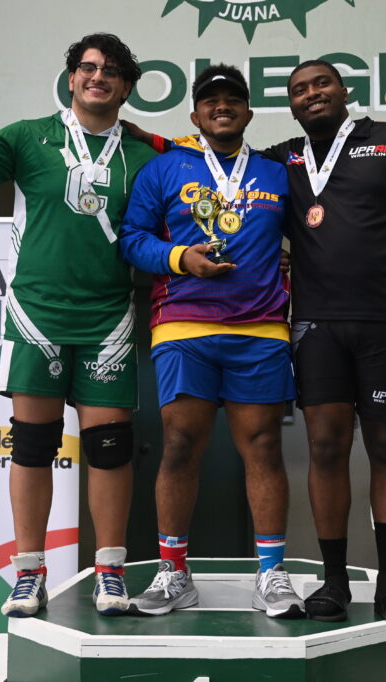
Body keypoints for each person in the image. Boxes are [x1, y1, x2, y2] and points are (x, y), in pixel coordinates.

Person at [0, 33, 156, 618]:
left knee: (110, 449)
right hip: (38, 313)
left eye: (110, 71)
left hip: (111, 314)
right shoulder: (28, 137)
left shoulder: (148, 157)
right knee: (32, 447)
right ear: (72, 78)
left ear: (126, 86)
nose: (96, 76)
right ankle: (29, 575)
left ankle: (109, 571)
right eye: (87, 67)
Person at [269, 60, 386, 623]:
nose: (311, 94)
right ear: (293, 104)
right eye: (299, 90)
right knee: (325, 449)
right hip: (316, 325)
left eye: (321, 84)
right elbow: (214, 154)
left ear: (343, 91)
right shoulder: (283, 158)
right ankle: (333, 583)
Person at [118, 64, 304, 619]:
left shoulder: (276, 173)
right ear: (195, 115)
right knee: (179, 445)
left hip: (261, 328)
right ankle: (174, 573)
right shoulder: (163, 168)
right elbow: (132, 239)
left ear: (247, 113)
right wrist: (182, 259)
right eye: (210, 100)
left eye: (233, 100)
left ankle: (271, 575)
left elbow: (315, 236)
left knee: (264, 447)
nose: (222, 106)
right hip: (184, 323)